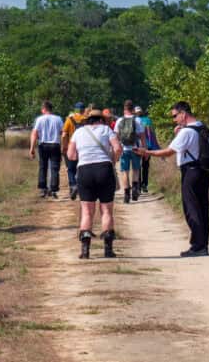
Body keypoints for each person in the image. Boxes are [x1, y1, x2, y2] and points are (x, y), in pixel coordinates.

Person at [138, 101, 209, 257]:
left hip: (190, 172)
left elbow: (168, 152)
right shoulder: (202, 127)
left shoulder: (186, 132)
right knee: (203, 208)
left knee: (191, 209)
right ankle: (203, 244)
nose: (174, 119)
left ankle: (197, 246)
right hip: (204, 171)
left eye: (175, 116)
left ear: (183, 113)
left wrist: (146, 152)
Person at [68, 109, 122, 259]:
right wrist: (113, 160)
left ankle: (85, 251)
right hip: (104, 169)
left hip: (85, 170)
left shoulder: (78, 132)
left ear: (87, 120)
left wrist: (84, 155)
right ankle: (108, 250)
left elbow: (71, 155)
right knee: (106, 210)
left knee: (86, 212)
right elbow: (118, 148)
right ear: (102, 119)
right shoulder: (106, 130)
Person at [30, 100, 64, 198]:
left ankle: (43, 189)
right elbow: (63, 133)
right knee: (54, 168)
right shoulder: (58, 119)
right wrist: (63, 146)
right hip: (55, 145)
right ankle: (53, 189)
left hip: (43, 145)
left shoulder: (39, 119)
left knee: (43, 167)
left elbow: (34, 133)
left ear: (44, 109)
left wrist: (32, 148)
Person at [114, 100, 146, 204]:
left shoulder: (119, 121)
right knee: (136, 169)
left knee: (124, 171)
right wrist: (145, 150)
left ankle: (126, 195)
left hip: (124, 149)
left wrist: (117, 150)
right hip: (136, 148)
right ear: (133, 109)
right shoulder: (138, 120)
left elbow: (116, 137)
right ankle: (135, 190)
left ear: (124, 109)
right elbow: (142, 136)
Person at [61, 102, 87, 201]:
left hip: (71, 148)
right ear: (83, 110)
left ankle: (73, 185)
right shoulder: (87, 120)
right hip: (84, 148)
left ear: (75, 110)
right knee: (81, 168)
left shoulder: (69, 120)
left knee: (71, 169)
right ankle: (81, 188)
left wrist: (64, 147)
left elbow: (64, 135)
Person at [135, 105, 160, 194]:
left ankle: (140, 186)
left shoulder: (134, 120)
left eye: (138, 112)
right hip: (146, 146)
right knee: (144, 166)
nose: (138, 113)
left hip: (139, 146)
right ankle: (143, 185)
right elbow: (151, 134)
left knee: (139, 166)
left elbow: (150, 134)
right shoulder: (147, 120)